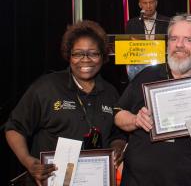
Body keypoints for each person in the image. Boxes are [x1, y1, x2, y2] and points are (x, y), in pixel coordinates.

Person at [114, 13, 191, 185]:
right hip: (137, 181)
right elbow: (118, 115)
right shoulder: (146, 76)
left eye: (188, 39)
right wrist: (136, 119)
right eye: (174, 38)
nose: (179, 45)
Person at [5, 20, 126, 185]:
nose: (85, 59)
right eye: (77, 54)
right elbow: (14, 128)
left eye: (93, 53)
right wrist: (29, 162)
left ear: (103, 56)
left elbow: (116, 134)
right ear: (68, 55)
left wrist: (118, 146)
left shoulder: (111, 92)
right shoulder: (46, 87)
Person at [125, 0, 170, 80]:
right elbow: (128, 48)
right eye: (145, 3)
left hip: (163, 69)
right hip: (140, 71)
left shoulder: (167, 21)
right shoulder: (132, 24)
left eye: (151, 2)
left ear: (156, 3)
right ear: (140, 5)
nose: (148, 6)